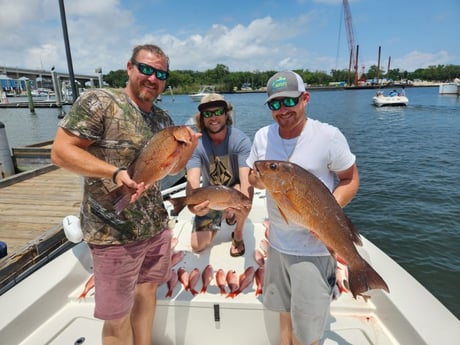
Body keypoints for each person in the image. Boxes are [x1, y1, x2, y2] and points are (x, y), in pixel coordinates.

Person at [51, 44, 199, 345]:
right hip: (112, 233)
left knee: (147, 295)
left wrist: (188, 152)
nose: (152, 78)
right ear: (129, 67)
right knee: (117, 317)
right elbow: (60, 152)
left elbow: (171, 172)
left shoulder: (162, 119)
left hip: (155, 228)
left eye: (160, 74)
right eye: (146, 69)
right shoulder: (100, 101)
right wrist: (115, 173)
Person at [247, 71, 360, 345]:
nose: (282, 110)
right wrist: (259, 179)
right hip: (277, 245)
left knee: (307, 331)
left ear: (305, 99)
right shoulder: (263, 136)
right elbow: (254, 175)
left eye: (289, 101)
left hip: (314, 251)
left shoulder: (328, 136)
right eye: (274, 104)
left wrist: (324, 216)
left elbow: (350, 178)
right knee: (283, 316)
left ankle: (360, 269)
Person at [185, 93, 253, 256]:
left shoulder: (240, 140)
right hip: (211, 197)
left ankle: (237, 231)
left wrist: (245, 203)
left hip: (234, 191)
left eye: (218, 112)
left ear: (226, 113)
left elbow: (246, 179)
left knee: (243, 195)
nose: (213, 117)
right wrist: (193, 206)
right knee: (197, 245)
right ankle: (226, 213)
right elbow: (193, 179)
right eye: (207, 114)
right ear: (202, 118)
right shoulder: (196, 145)